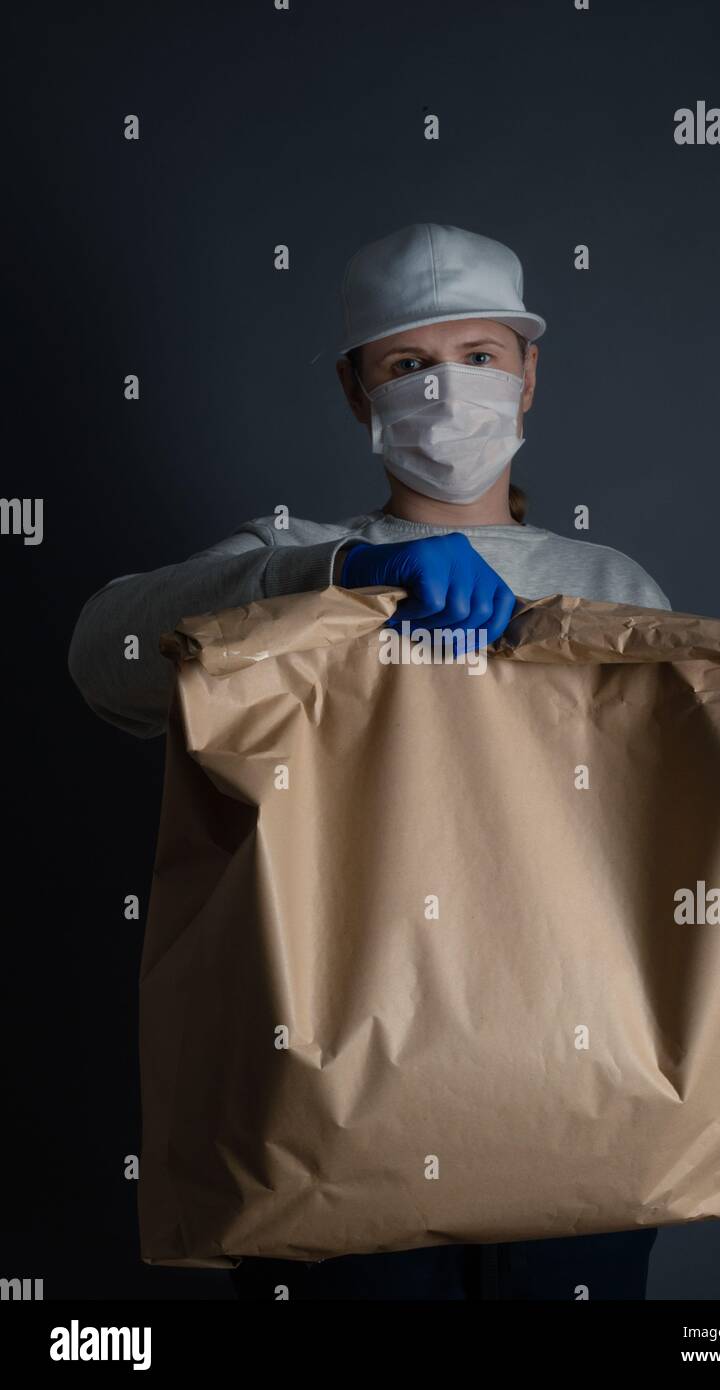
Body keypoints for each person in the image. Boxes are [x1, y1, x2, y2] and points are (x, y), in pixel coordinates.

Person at [68, 221, 668, 1299]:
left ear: (529, 375)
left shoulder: (612, 586)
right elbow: (104, 656)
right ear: (359, 392)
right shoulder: (281, 560)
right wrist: (341, 572)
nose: (448, 391)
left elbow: (664, 834)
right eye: (408, 365)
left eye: (479, 357)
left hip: (575, 1070)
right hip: (342, 1075)